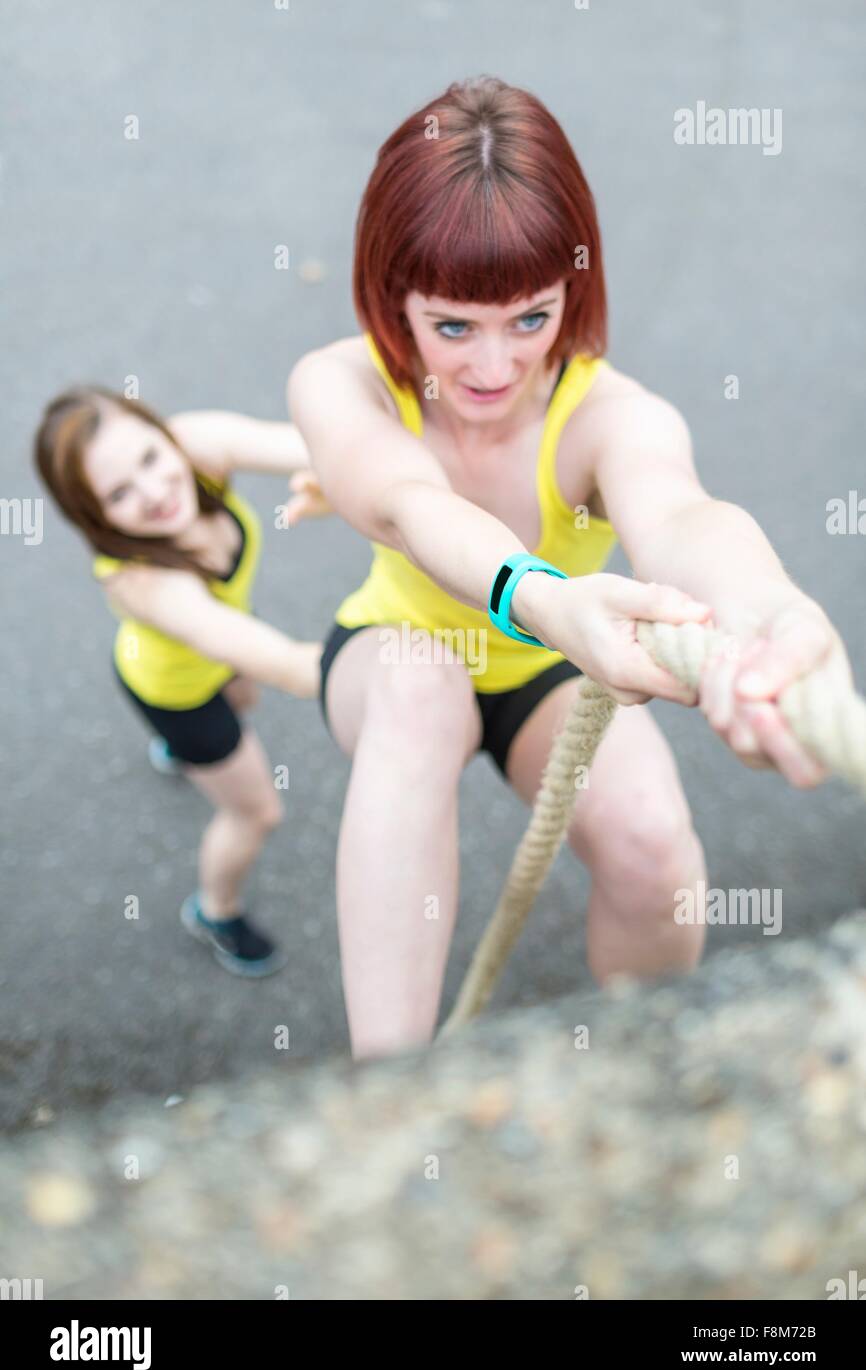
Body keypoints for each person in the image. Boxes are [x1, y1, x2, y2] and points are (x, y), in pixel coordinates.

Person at [288, 75, 853, 1057]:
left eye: (530, 317)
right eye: (453, 324)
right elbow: (408, 506)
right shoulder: (338, 382)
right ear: (392, 297)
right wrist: (539, 596)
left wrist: (769, 610)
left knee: (648, 841)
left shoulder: (610, 415)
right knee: (422, 695)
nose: (495, 368)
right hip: (399, 648)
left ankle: (638, 1071)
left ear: (571, 291)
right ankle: (382, 1094)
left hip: (551, 666)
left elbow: (680, 513)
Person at [34, 389, 329, 977]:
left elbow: (322, 446)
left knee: (244, 697)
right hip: (176, 689)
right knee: (256, 812)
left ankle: (177, 754)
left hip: (219, 647)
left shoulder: (194, 447)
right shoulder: (143, 584)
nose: (154, 491)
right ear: (94, 516)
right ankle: (215, 912)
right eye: (118, 494)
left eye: (149, 458)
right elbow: (295, 668)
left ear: (162, 432)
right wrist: (428, 654)